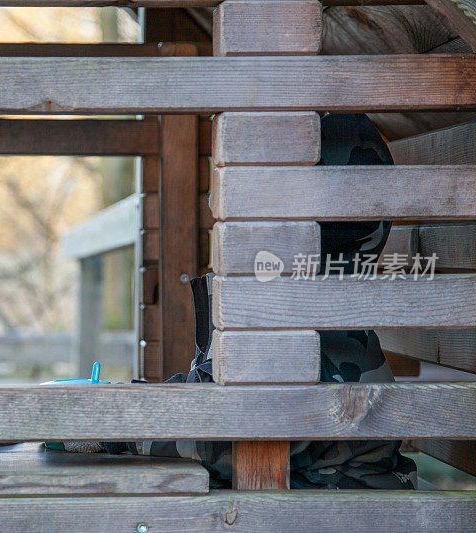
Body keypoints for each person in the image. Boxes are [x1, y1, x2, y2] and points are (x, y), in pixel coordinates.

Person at [70, 114, 418, 490]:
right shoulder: (295, 301)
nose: (214, 202)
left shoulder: (320, 326)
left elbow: (227, 429)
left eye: (245, 184)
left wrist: (108, 418)